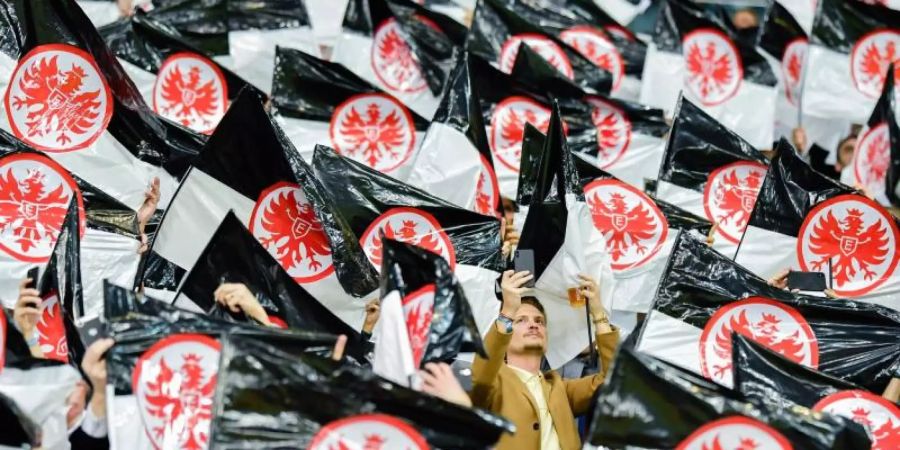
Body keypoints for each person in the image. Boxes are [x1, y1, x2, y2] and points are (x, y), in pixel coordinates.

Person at [471, 270, 619, 450]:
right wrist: (508, 311)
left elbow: (615, 382)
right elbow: (480, 376)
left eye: (540, 321)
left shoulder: (559, 388)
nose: (533, 324)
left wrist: (599, 315)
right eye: (521, 320)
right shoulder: (494, 381)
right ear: (505, 335)